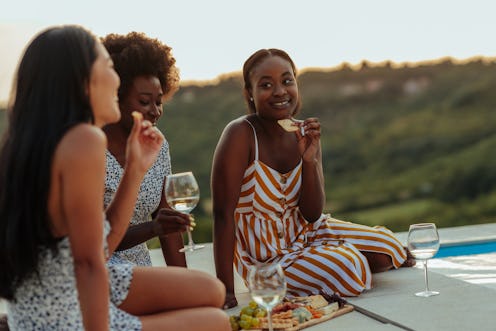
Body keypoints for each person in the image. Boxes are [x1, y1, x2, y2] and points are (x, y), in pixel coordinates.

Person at [0, 25, 230, 330]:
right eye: (108, 67)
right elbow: (89, 263)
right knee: (215, 321)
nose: (115, 79)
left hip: (50, 300)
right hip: (66, 314)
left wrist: (135, 168)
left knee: (212, 291)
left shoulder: (35, 143)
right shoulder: (85, 141)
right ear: (83, 81)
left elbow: (98, 245)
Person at [211, 48, 415, 309]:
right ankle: (333, 260)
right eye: (266, 85)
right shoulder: (240, 134)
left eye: (287, 81)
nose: (280, 91)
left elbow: (312, 213)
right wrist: (226, 290)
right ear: (249, 92)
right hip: (268, 258)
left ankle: (329, 257)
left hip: (310, 232)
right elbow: (222, 214)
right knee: (351, 268)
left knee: (389, 248)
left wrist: (309, 160)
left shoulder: (304, 132)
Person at [101, 32, 188, 267]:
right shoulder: (91, 148)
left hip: (141, 271)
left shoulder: (157, 144)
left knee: (206, 292)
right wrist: (153, 228)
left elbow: (167, 225)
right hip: (98, 269)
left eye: (158, 101)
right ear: (115, 97)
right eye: (144, 101)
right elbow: (95, 242)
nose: (155, 110)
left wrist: (183, 283)